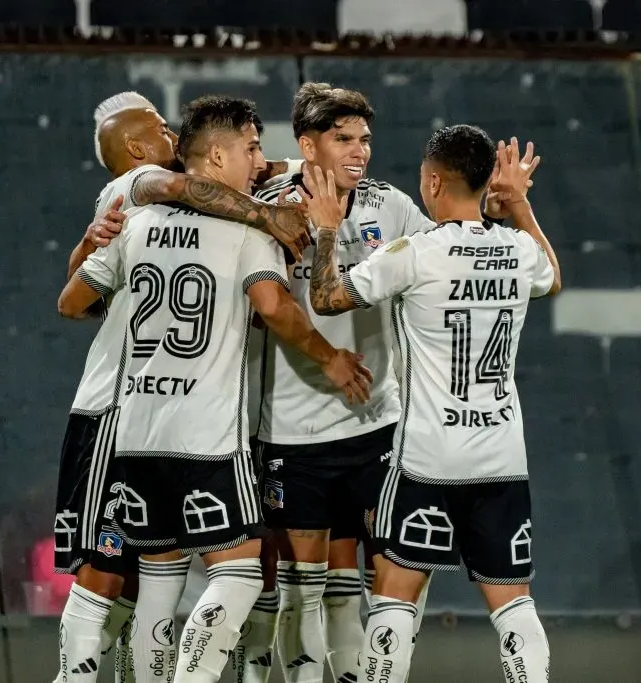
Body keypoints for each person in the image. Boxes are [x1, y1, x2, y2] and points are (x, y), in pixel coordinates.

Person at [58, 95, 373, 683]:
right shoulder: (212, 214)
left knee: (156, 573)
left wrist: (96, 250)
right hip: (204, 433)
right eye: (250, 147)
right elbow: (275, 308)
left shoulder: (136, 220)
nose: (257, 157)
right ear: (219, 152)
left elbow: (71, 299)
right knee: (238, 573)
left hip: (132, 426)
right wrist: (329, 358)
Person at [306, 128, 561, 682]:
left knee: (395, 596)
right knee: (514, 604)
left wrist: (327, 230)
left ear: (433, 181)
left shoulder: (413, 253)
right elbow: (552, 277)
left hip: (426, 458)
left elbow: (327, 298)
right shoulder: (517, 249)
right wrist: (519, 205)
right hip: (499, 459)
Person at [249, 82, 437, 683]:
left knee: (393, 579)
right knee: (308, 590)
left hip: (379, 422)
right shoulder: (271, 210)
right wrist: (329, 357)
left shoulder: (393, 206)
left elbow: (441, 266)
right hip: (292, 429)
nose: (359, 152)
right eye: (343, 139)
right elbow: (271, 304)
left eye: (365, 140)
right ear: (307, 145)